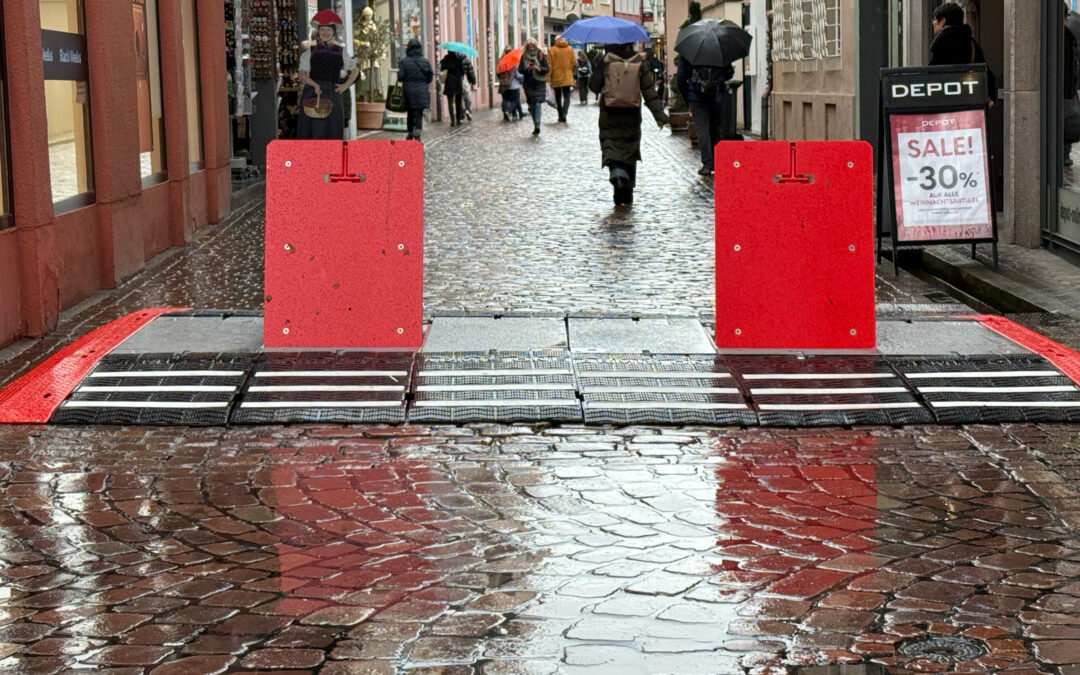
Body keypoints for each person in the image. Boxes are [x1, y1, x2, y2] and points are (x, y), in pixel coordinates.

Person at [589, 42, 668, 206]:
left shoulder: (606, 61)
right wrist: (659, 116)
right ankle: (627, 191)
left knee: (610, 145)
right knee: (629, 149)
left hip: (609, 114)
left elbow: (594, 86)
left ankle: (617, 175)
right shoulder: (639, 61)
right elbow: (649, 91)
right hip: (631, 114)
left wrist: (600, 66)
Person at [296, 10, 359, 140]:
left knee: (333, 129)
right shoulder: (311, 51)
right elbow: (302, 73)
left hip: (333, 92)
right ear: (318, 31)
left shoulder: (341, 51)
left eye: (328, 30)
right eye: (322, 30)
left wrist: (345, 86)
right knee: (311, 130)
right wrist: (313, 84)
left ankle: (331, 158)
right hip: (312, 92)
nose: (325, 33)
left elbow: (355, 70)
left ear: (333, 32)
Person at [929, 2, 998, 105]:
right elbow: (988, 75)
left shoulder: (942, 44)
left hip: (947, 104)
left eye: (934, 19)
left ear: (943, 21)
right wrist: (990, 98)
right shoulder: (971, 42)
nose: (933, 23)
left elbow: (932, 76)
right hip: (969, 104)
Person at [677, 56, 733, 176]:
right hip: (716, 96)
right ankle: (719, 162)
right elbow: (729, 73)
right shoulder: (720, 51)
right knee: (716, 129)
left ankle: (708, 164)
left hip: (696, 98)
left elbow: (681, 78)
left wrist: (688, 98)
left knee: (703, 130)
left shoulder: (689, 53)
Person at [398, 38, 434, 141]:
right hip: (422, 90)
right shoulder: (425, 61)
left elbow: (401, 77)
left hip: (408, 90)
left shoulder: (404, 61)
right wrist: (423, 84)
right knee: (419, 112)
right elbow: (430, 77)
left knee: (410, 112)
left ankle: (410, 134)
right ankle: (418, 135)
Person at [518, 40, 550, 135]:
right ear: (527, 48)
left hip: (539, 82)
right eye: (529, 47)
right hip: (528, 84)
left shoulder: (540, 56)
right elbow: (520, 70)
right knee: (532, 105)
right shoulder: (523, 57)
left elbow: (547, 69)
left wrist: (539, 69)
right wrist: (526, 68)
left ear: (536, 47)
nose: (531, 49)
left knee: (537, 104)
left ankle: (537, 125)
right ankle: (535, 123)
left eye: (533, 47)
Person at [439, 51, 473, 126]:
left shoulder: (445, 60)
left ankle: (453, 121)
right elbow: (462, 73)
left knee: (450, 103)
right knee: (458, 102)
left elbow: (442, 71)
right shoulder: (459, 60)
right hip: (458, 83)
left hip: (449, 83)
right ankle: (458, 120)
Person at [548, 36, 576, 123]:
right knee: (567, 96)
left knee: (558, 96)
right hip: (567, 75)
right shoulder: (570, 49)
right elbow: (574, 63)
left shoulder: (551, 50)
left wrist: (548, 78)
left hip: (556, 76)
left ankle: (560, 115)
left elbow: (549, 65)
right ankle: (565, 113)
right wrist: (570, 70)